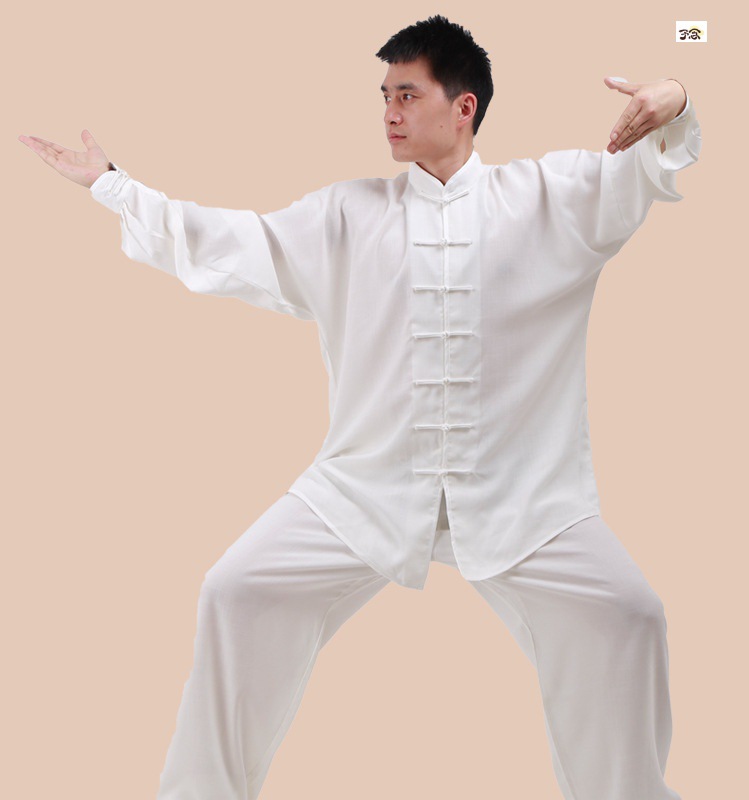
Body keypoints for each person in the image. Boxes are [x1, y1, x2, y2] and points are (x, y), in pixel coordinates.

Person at [19, 14, 700, 800]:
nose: (389, 112)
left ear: (464, 107)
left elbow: (652, 165)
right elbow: (229, 240)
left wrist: (678, 95)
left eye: (407, 94)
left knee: (630, 615)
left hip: (528, 496)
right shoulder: (344, 216)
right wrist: (113, 184)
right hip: (364, 490)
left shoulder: (554, 198)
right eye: (384, 96)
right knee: (235, 590)